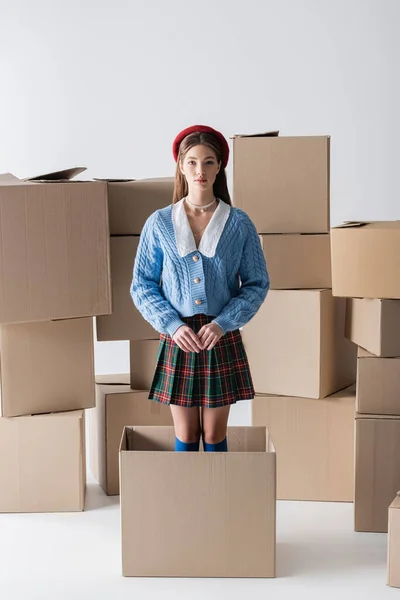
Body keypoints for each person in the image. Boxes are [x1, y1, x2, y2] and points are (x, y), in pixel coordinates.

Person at [130, 124, 269, 452]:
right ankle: (186, 500)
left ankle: (216, 499)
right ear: (180, 165)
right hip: (179, 338)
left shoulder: (239, 223)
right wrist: (172, 325)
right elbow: (142, 285)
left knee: (214, 433)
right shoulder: (160, 222)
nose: (200, 170)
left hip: (219, 336)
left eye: (208, 162)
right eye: (191, 161)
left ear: (219, 166)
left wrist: (222, 324)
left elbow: (256, 284)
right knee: (187, 434)